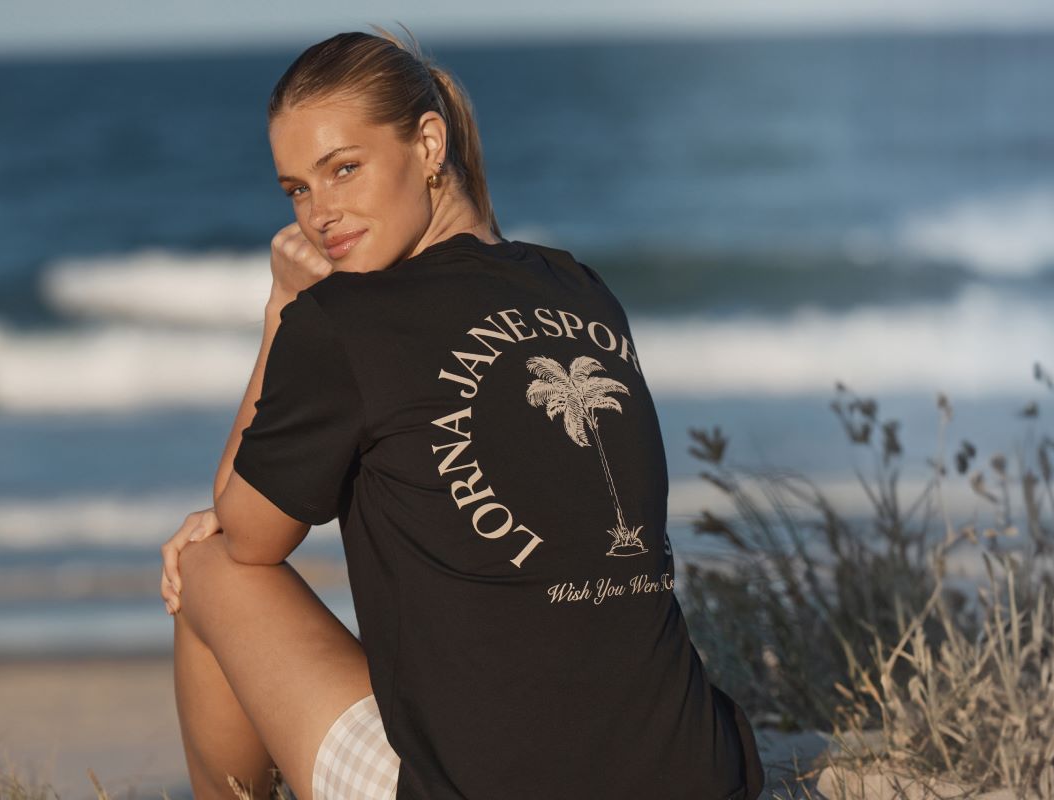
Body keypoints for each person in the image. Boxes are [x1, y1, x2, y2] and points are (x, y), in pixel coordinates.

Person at [158, 25, 763, 800]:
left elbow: (249, 535)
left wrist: (284, 307)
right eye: (298, 190)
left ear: (429, 143)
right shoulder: (579, 286)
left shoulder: (344, 320)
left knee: (206, 566)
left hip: (485, 787)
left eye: (344, 169)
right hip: (693, 771)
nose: (321, 214)